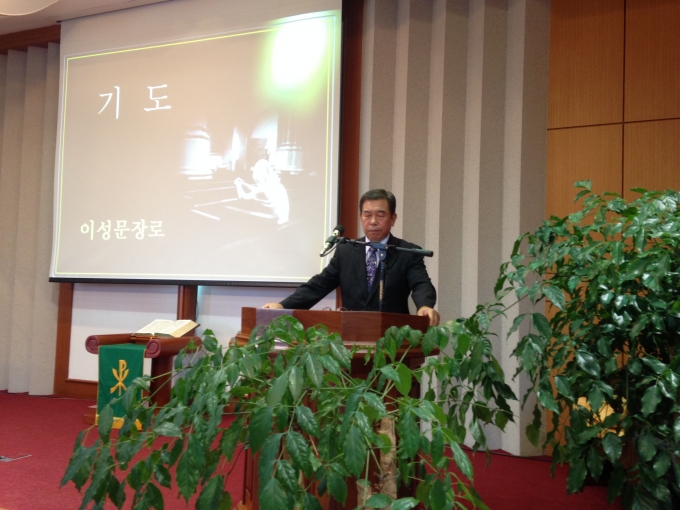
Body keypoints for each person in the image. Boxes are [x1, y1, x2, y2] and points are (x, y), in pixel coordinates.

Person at [263, 189, 440, 326]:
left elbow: (421, 284)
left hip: (393, 339)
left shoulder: (407, 252)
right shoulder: (346, 251)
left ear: (393, 219)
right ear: (361, 217)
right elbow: (318, 285)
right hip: (351, 336)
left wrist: (424, 306)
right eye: (367, 214)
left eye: (380, 215)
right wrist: (283, 306)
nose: (373, 221)